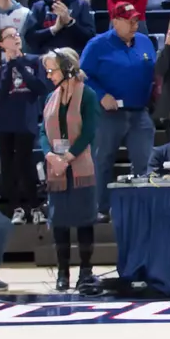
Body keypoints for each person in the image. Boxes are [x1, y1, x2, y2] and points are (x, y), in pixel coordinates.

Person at [82, 0, 158, 213]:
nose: (135, 24)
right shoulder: (97, 45)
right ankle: (100, 208)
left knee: (145, 161)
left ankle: (144, 208)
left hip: (139, 111)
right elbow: (83, 76)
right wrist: (100, 95)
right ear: (115, 22)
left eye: (136, 20)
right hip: (108, 113)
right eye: (129, 20)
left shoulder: (145, 42)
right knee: (103, 159)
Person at [40, 47, 100, 292]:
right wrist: (50, 155)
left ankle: (85, 271)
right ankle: (62, 273)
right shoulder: (50, 98)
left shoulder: (88, 95)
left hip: (79, 165)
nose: (49, 75)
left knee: (85, 220)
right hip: (56, 167)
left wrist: (68, 156)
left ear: (67, 69)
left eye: (52, 70)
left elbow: (89, 131)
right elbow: (43, 131)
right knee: (60, 222)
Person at [0, 25, 48, 223]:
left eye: (16, 34)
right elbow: (0, 94)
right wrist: (10, 66)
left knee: (25, 163)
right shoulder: (0, 68)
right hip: (4, 122)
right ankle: (16, 208)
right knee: (8, 166)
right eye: (9, 36)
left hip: (26, 121)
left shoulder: (34, 61)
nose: (15, 38)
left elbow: (39, 87)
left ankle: (34, 206)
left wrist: (19, 64)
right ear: (1, 44)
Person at [25, 0, 93, 57]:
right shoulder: (38, 7)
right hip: (46, 57)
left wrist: (69, 22)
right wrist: (53, 29)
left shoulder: (81, 5)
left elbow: (90, 37)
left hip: (74, 56)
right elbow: (31, 38)